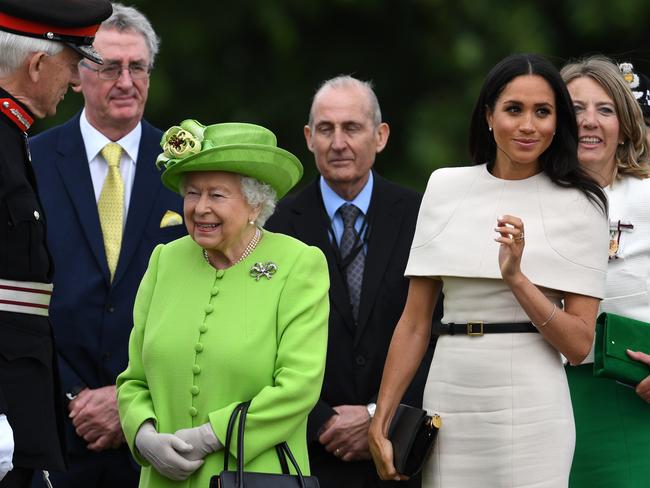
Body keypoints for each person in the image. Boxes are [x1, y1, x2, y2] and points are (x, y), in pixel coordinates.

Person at [369, 53, 610, 488]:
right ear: (487, 115)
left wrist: (518, 279)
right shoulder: (444, 187)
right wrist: (381, 416)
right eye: (513, 109)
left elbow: (578, 345)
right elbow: (414, 322)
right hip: (450, 393)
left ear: (558, 123)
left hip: (535, 403)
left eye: (543, 112)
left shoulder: (583, 203)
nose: (528, 125)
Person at [116, 120, 330, 487]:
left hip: (255, 477)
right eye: (192, 193)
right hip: (163, 479)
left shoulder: (298, 263)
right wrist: (144, 437)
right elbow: (133, 380)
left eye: (216, 195)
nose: (200, 208)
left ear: (256, 203)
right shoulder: (164, 260)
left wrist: (210, 436)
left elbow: (299, 387)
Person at [28, 4, 185, 487]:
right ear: (77, 75)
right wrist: (73, 394)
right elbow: (14, 296)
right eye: (109, 66)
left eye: (137, 67)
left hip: (160, 431)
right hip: (52, 427)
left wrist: (128, 401)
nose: (125, 81)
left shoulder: (186, 171)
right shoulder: (28, 161)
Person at [266, 75, 439, 488]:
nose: (338, 142)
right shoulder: (275, 227)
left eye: (352, 128)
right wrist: (321, 418)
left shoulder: (423, 216)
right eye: (326, 129)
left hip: (400, 451)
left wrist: (380, 413)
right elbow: (261, 338)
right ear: (308, 138)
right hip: (306, 452)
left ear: (380, 136)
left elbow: (436, 329)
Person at [0, 0, 112, 486]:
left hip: (22, 412)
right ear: (37, 63)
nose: (74, 81)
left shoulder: (13, 138)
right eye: (71, 65)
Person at [561, 55, 650, 488]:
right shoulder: (523, 200)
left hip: (633, 397)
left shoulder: (647, 196)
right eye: (575, 109)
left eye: (605, 109)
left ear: (625, 126)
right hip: (542, 396)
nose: (589, 122)